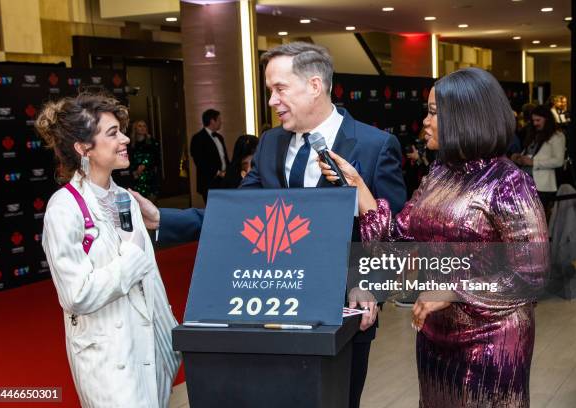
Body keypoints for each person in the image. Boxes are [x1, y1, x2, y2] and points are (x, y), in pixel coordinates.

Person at [134, 42, 406, 408]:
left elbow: (395, 235)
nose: (273, 101)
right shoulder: (271, 143)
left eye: (280, 89)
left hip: (343, 316)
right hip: (272, 306)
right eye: (270, 91)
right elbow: (240, 213)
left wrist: (366, 283)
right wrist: (164, 218)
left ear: (314, 85)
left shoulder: (375, 145)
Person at [319, 67, 549, 407]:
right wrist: (358, 186)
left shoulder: (508, 182)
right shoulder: (440, 174)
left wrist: (455, 292)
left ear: (465, 117)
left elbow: (532, 276)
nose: (424, 121)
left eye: (432, 112)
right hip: (434, 335)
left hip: (491, 340)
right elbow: (397, 240)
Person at [37, 93, 180, 408]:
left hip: (150, 351)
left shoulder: (126, 198)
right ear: (83, 147)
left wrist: (170, 340)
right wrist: (129, 258)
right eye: (113, 133)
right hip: (108, 362)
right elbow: (77, 295)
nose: (126, 139)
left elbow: (151, 280)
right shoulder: (64, 209)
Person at [511, 105, 566, 213]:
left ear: (547, 119)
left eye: (538, 120)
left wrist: (533, 162)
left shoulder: (557, 136)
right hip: (525, 182)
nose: (535, 123)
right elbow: (530, 153)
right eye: (533, 120)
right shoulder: (534, 134)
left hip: (542, 186)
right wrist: (519, 157)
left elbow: (558, 161)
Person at [190, 109, 230, 202]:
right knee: (212, 209)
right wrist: (218, 172)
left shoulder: (219, 137)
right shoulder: (198, 138)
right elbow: (199, 161)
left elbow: (224, 158)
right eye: (219, 120)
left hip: (223, 180)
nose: (221, 122)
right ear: (212, 121)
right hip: (209, 181)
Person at [129, 119, 161, 201]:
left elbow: (157, 159)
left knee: (151, 202)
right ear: (135, 129)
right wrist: (134, 171)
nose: (143, 128)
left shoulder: (152, 142)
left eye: (144, 126)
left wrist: (145, 165)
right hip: (136, 177)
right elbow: (129, 160)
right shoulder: (130, 144)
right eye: (140, 126)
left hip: (150, 176)